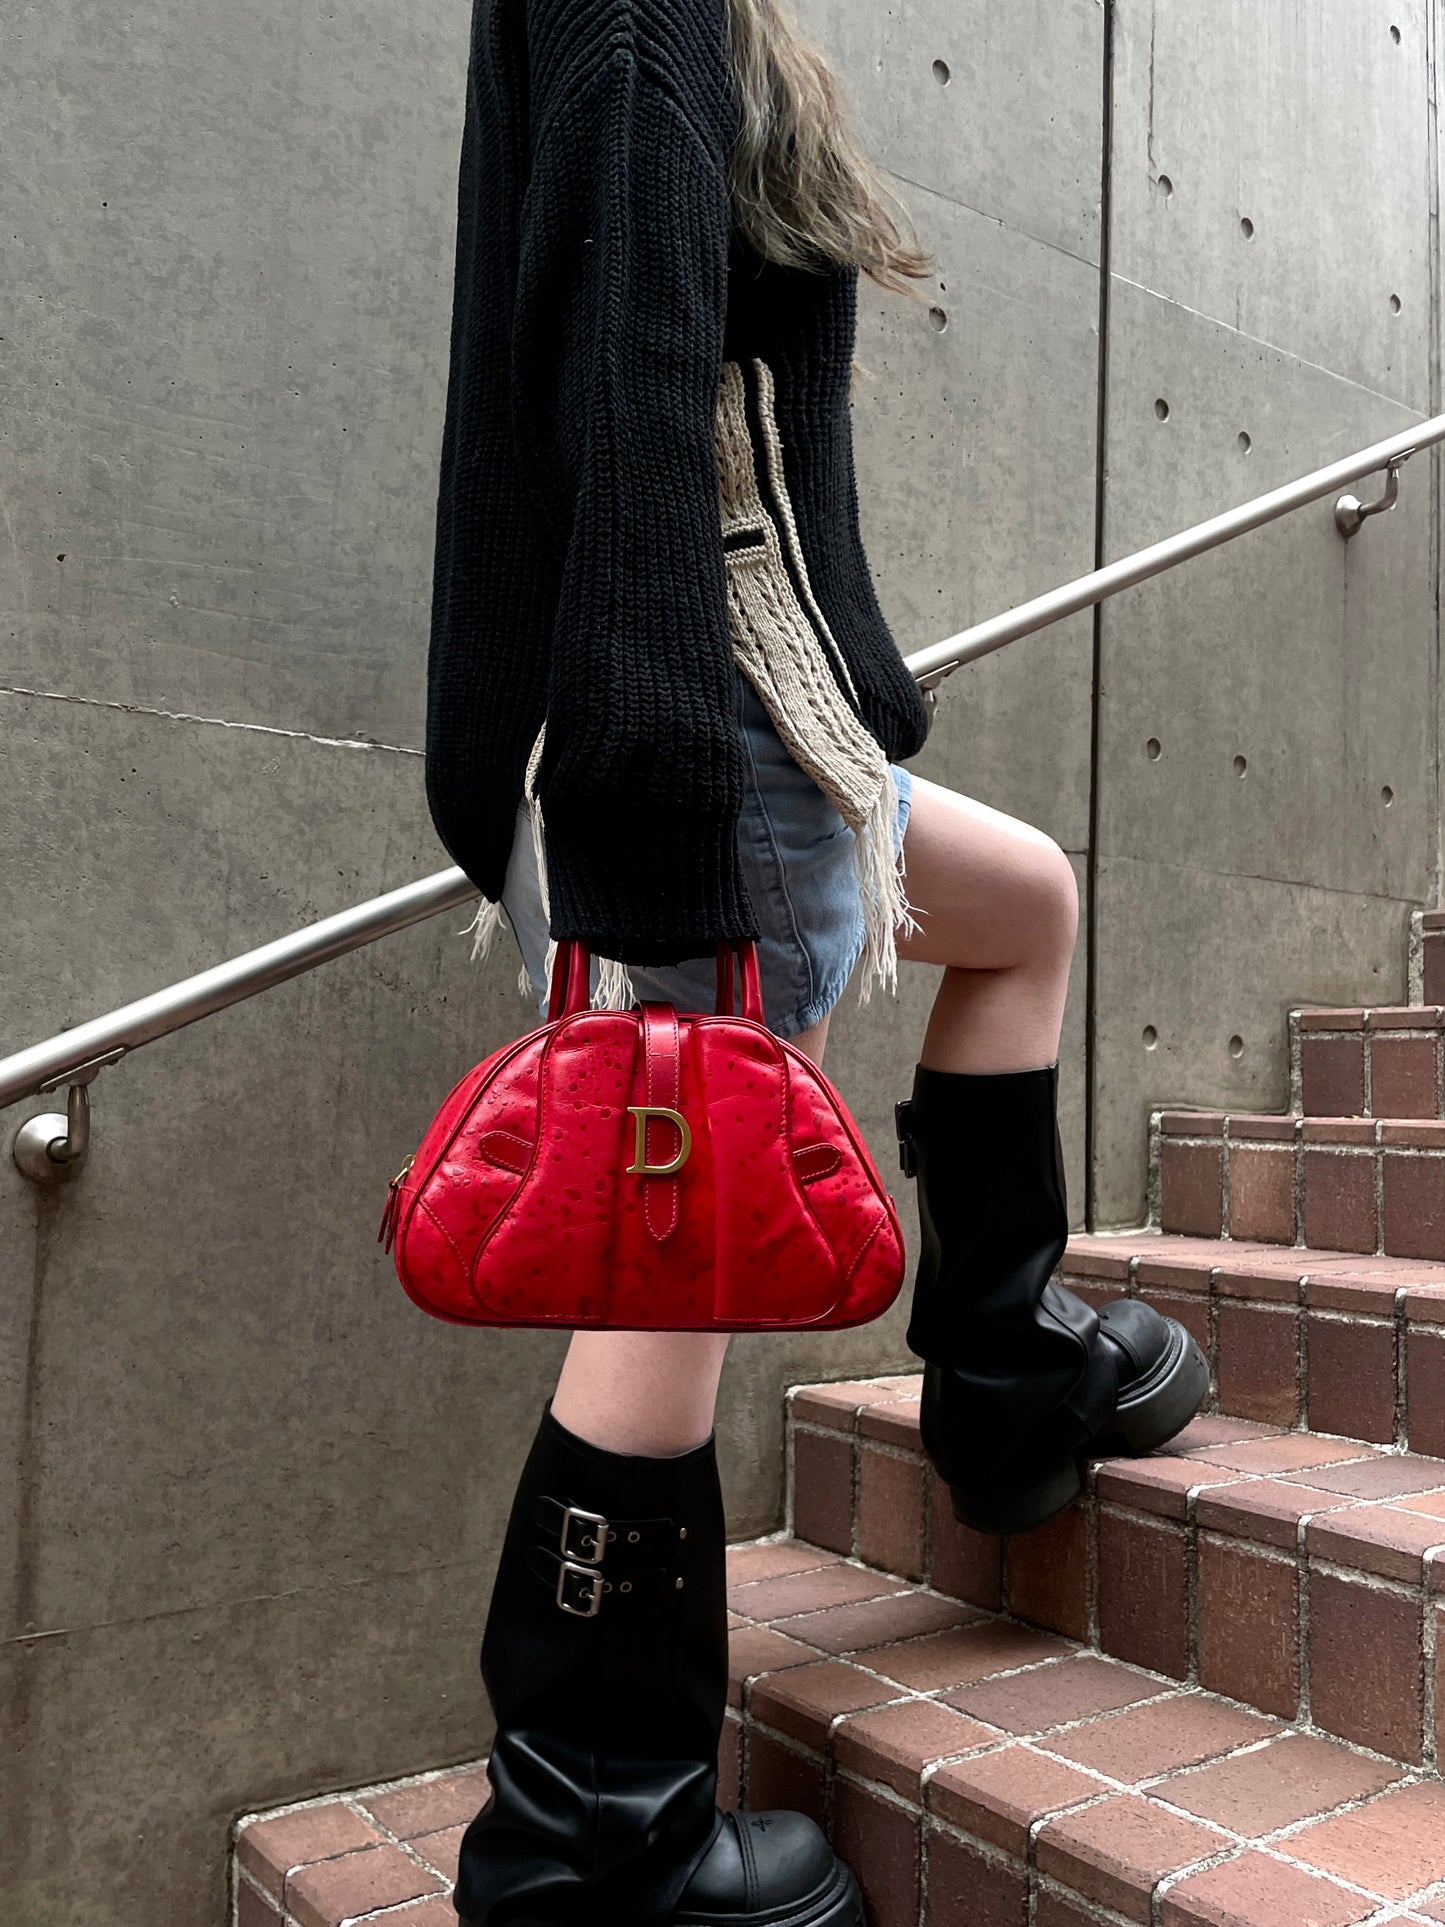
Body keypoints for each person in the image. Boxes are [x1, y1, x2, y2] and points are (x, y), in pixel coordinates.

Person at [423, 1, 1209, 1922]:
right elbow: (625, 384)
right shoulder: (637, 9)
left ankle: (1002, 1372)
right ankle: (589, 1836)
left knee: (1021, 904)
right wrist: (651, 811)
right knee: (669, 1245)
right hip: (697, 732)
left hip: (753, 724)